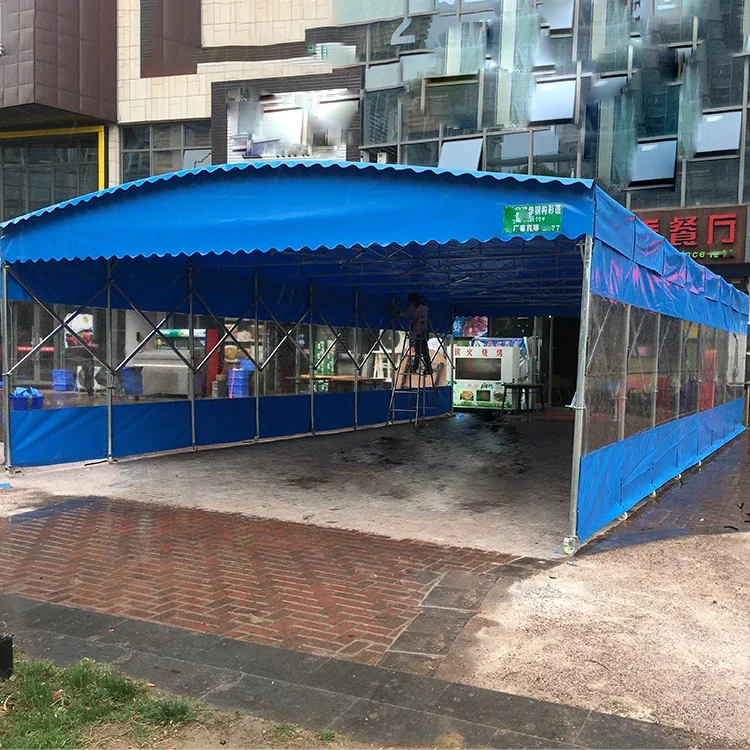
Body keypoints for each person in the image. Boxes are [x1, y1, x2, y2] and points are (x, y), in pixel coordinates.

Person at [396, 292, 432, 375]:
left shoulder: (424, 307)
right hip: (416, 332)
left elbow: (425, 318)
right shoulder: (412, 307)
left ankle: (416, 368)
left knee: (421, 352)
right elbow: (406, 313)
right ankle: (425, 368)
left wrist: (417, 320)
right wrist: (398, 312)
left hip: (423, 332)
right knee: (421, 351)